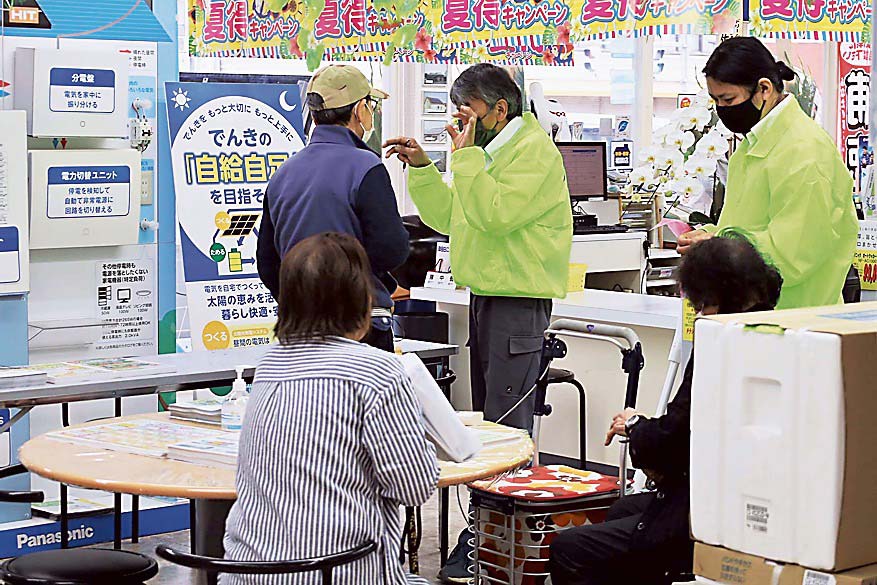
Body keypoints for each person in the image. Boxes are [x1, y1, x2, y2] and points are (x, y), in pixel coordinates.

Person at [548, 235, 783, 585]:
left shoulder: (722, 346)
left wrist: (636, 426)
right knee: (622, 509)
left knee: (569, 548)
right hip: (744, 495)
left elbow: (677, 439)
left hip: (707, 505)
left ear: (713, 296)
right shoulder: (779, 333)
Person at [223, 232, 438, 585]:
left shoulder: (270, 364)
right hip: (337, 573)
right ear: (361, 298)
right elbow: (414, 487)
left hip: (246, 573)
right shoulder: (377, 371)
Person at [384, 64, 572, 432]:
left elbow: (494, 215)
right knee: (487, 415)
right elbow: (452, 216)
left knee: (505, 420)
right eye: (457, 113)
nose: (461, 122)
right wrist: (423, 168)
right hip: (486, 294)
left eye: (469, 112)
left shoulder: (533, 151)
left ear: (500, 110)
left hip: (517, 299)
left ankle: (508, 490)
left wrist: (465, 157)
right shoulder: (489, 154)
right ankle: (485, 491)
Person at [677, 37, 857, 310]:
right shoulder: (751, 148)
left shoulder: (804, 151)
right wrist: (708, 241)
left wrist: (720, 247)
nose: (722, 110)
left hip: (796, 322)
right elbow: (746, 225)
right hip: (752, 320)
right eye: (715, 101)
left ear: (764, 88)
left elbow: (794, 254)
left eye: (728, 99)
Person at [256, 64, 409, 351]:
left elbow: (267, 262)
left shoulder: (284, 172)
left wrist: (302, 299)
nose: (373, 112)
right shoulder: (366, 166)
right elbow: (392, 248)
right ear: (359, 110)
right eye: (371, 105)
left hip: (300, 328)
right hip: (361, 324)